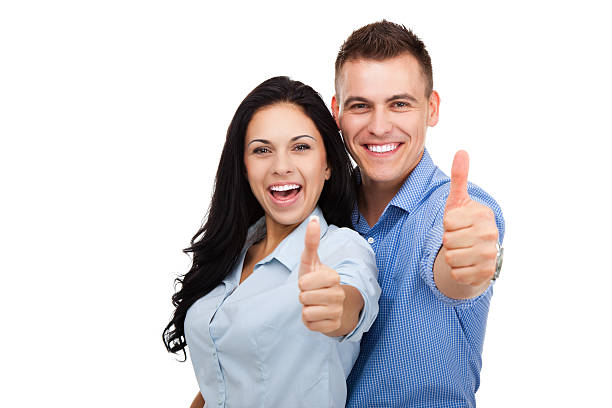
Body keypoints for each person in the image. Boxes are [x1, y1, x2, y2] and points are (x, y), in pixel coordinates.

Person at [163, 76, 381, 408]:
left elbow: (350, 305)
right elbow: (218, 383)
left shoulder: (341, 249)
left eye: (301, 147)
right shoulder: (233, 250)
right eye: (262, 150)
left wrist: (337, 305)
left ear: (328, 165)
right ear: (244, 167)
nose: (281, 166)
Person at [330, 21, 505, 407]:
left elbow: (456, 270)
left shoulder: (461, 211)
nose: (379, 126)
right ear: (337, 112)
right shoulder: (321, 217)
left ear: (432, 108)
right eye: (360, 106)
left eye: (400, 103)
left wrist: (471, 266)